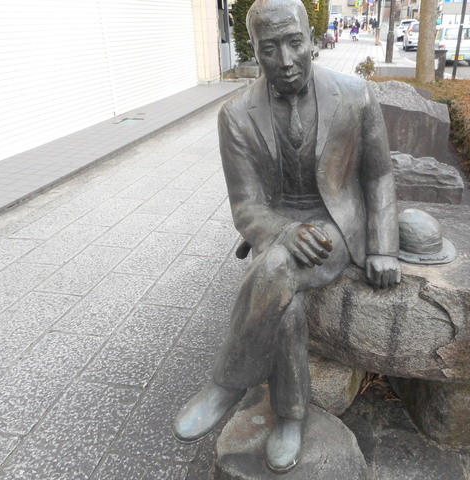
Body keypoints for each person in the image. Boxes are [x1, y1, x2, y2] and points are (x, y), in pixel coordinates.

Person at [172, 0, 401, 473]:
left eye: (295, 42)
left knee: (276, 266)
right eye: (270, 48)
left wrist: (383, 248)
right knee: (285, 297)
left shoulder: (356, 95)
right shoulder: (235, 114)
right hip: (278, 226)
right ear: (254, 50)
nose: (286, 60)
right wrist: (283, 231)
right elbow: (246, 206)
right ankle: (291, 415)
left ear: (313, 40)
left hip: (335, 224)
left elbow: (379, 175)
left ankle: (227, 384)